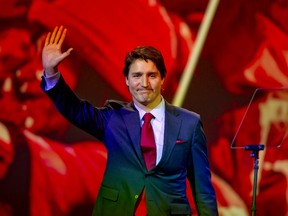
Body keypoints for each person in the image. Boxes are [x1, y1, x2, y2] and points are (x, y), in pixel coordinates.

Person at [40, 26, 218, 216]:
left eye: (152, 75)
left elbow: (202, 189)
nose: (144, 83)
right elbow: (74, 109)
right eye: (137, 76)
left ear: (162, 79)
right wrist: (51, 72)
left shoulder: (189, 123)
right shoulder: (113, 118)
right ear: (126, 80)